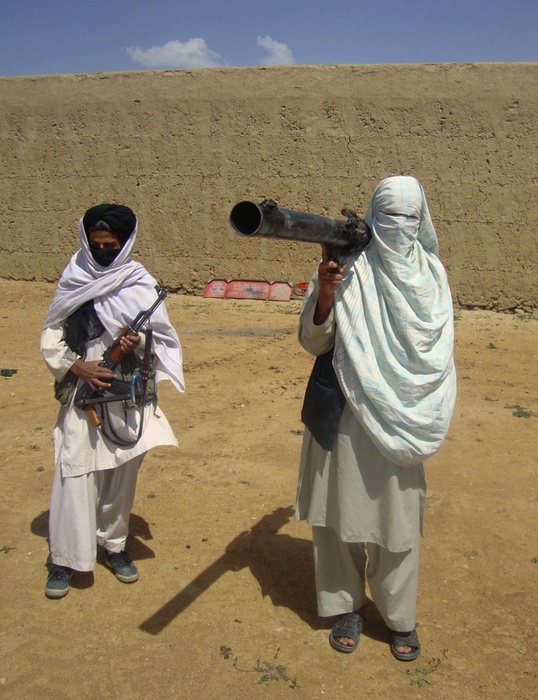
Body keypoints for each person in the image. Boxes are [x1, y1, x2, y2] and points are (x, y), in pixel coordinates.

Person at [296, 175, 456, 660]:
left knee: (399, 520)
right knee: (336, 514)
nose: (399, 227)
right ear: (372, 215)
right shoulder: (345, 265)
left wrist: (410, 393)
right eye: (389, 217)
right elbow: (314, 342)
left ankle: (399, 617)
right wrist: (325, 292)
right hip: (344, 409)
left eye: (409, 217)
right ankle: (345, 605)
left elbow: (435, 348)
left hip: (404, 415)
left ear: (422, 219)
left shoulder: (431, 274)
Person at [41, 203, 185, 599]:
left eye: (110, 245)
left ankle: (114, 545)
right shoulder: (75, 276)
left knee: (123, 469)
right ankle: (65, 558)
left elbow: (164, 340)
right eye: (96, 244)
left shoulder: (139, 282)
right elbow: (51, 331)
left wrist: (135, 342)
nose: (102, 251)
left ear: (124, 245)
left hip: (126, 392)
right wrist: (77, 367)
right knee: (75, 468)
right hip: (83, 390)